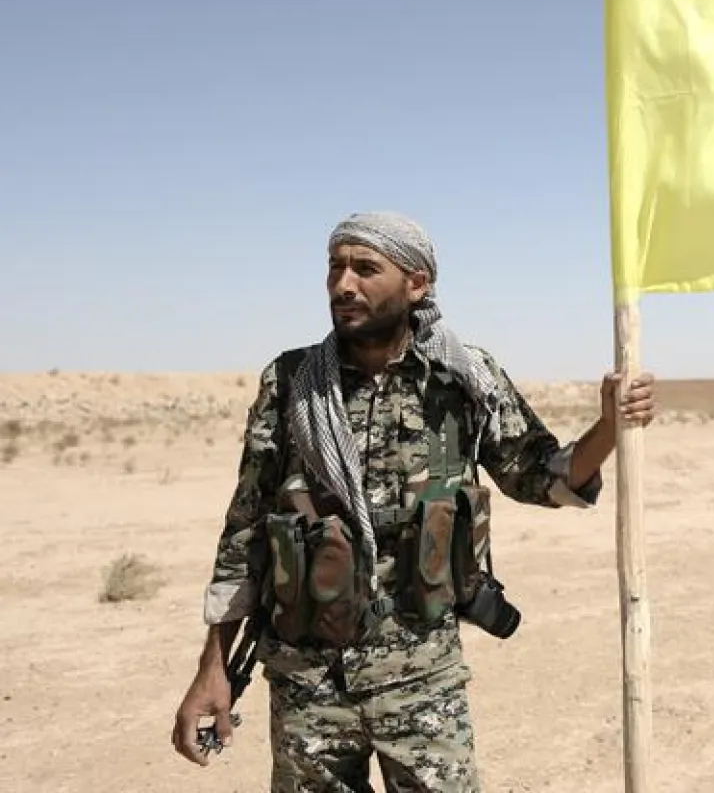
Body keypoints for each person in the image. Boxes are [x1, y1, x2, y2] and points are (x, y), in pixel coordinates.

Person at [170, 211, 655, 792]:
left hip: (421, 678)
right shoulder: (293, 381)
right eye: (335, 267)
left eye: (365, 268)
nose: (343, 284)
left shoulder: (463, 379)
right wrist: (213, 669)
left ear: (417, 283)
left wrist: (608, 427)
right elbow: (246, 530)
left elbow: (542, 477)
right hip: (308, 683)